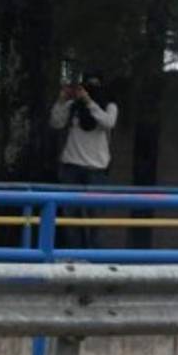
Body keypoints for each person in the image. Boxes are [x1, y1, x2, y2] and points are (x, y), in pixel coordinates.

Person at [49, 72, 118, 249]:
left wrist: (89, 102)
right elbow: (56, 123)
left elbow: (108, 123)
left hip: (97, 170)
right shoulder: (73, 106)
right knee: (71, 218)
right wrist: (61, 100)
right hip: (71, 167)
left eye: (95, 85)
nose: (90, 89)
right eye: (86, 86)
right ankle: (75, 256)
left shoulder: (109, 106)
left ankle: (96, 260)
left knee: (96, 219)